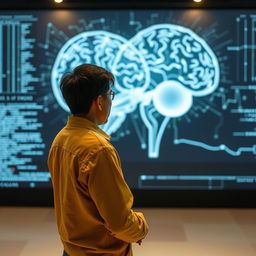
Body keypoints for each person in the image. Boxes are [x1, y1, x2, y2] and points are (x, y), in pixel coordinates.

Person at [48, 64, 148, 256]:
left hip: (71, 250)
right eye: (111, 95)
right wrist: (141, 227)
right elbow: (119, 223)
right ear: (99, 101)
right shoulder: (98, 149)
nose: (112, 101)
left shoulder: (61, 139)